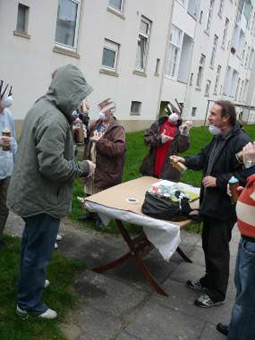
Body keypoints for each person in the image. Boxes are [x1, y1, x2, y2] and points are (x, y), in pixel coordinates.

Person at [7, 64, 95, 319]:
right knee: (39, 253)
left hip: (29, 191)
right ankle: (29, 304)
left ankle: (29, 283)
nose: (80, 102)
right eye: (78, 95)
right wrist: (83, 168)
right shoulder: (54, 120)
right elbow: (52, 166)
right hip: (42, 198)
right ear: (67, 91)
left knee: (30, 244)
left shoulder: (42, 106)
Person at [170, 100, 254, 308]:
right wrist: (185, 160)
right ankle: (210, 279)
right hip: (210, 203)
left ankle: (218, 293)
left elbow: (248, 175)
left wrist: (219, 181)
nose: (209, 117)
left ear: (226, 118)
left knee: (218, 249)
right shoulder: (218, 137)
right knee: (208, 245)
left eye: (214, 114)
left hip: (224, 207)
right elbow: (203, 158)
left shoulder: (241, 142)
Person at [216, 142, 255, 339]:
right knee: (243, 290)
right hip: (248, 239)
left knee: (248, 300)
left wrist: (249, 163)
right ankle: (238, 328)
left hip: (253, 244)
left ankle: (239, 334)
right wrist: (242, 193)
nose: (251, 145)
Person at [78, 99, 126, 229]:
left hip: (105, 167)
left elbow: (118, 149)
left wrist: (101, 141)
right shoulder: (96, 124)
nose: (101, 112)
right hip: (92, 163)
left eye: (104, 109)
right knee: (90, 188)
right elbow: (88, 140)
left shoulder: (117, 128)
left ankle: (101, 218)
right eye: (100, 109)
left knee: (101, 193)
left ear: (111, 111)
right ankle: (90, 212)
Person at [140, 102, 191, 181]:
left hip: (169, 169)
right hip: (152, 165)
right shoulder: (158, 124)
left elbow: (182, 149)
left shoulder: (179, 129)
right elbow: (147, 140)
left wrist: (184, 134)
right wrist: (160, 139)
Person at [0, 84, 18, 248]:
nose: (7, 99)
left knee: (4, 204)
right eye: (4, 96)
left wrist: (13, 147)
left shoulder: (8, 115)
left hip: (7, 168)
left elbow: (13, 139)